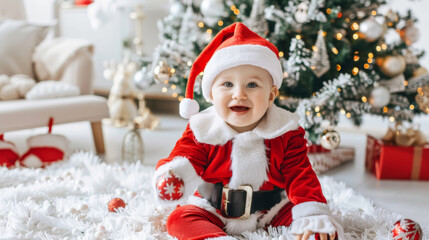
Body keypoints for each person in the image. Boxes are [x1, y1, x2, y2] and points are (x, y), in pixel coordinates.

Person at [153, 22, 344, 240]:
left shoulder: (286, 131)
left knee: (319, 229)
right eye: (227, 84)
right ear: (211, 95)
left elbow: (300, 174)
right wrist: (175, 175)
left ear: (271, 96)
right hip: (212, 207)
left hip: (271, 208)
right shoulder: (202, 129)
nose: (239, 94)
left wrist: (311, 212)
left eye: (252, 85)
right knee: (179, 219)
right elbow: (185, 156)